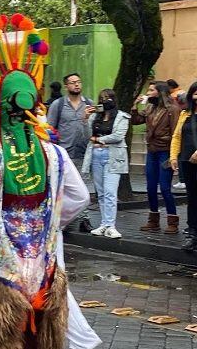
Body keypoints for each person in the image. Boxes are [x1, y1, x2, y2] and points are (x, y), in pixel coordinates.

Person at [0, 13, 89, 349]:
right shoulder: (55, 154)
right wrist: (52, 221)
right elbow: (80, 197)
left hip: (4, 273)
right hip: (45, 270)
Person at [132, 81, 181, 233]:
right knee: (150, 187)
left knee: (165, 188)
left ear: (160, 92)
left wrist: (174, 157)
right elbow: (136, 121)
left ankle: (173, 221)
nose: (148, 92)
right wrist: (135, 106)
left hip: (165, 152)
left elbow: (176, 134)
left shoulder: (172, 109)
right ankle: (153, 221)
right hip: (152, 151)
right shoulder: (150, 107)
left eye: (151, 90)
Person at [48, 72, 94, 231]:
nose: (76, 85)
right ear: (66, 86)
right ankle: (63, 219)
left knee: (83, 186)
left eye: (79, 82)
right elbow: (49, 129)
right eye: (73, 82)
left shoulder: (89, 104)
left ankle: (84, 220)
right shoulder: (58, 105)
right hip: (64, 153)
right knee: (62, 187)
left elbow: (94, 128)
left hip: (83, 153)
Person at [81, 89, 130, 239]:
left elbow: (118, 136)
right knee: (101, 193)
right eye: (102, 98)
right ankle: (104, 224)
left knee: (110, 192)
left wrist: (99, 140)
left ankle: (111, 225)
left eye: (108, 98)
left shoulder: (122, 116)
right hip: (96, 155)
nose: (105, 101)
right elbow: (87, 136)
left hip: (113, 156)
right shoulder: (95, 116)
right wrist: (85, 119)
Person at [172, 82, 197, 251]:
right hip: (187, 162)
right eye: (195, 93)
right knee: (192, 198)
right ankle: (193, 233)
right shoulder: (184, 114)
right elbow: (176, 136)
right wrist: (173, 156)